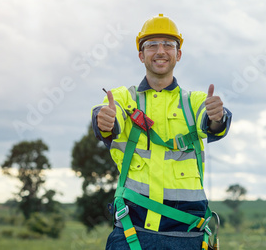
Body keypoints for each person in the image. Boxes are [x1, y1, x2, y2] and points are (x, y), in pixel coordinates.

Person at [91, 14, 232, 250]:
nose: (160, 51)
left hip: (187, 237)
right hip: (132, 234)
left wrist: (217, 117)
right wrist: (105, 120)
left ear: (178, 54)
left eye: (168, 44)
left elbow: (211, 121)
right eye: (152, 45)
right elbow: (108, 117)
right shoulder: (124, 98)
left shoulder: (194, 101)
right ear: (141, 55)